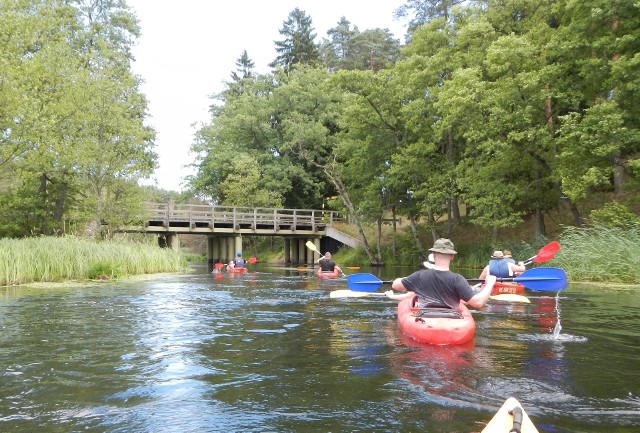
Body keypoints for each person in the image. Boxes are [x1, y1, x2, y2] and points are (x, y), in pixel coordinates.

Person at [385, 238, 496, 310]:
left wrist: (407, 278)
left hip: (425, 320)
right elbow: (478, 303)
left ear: (433, 254)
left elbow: (395, 285)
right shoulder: (458, 280)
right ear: (452, 256)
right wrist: (490, 283)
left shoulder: (419, 276)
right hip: (451, 321)